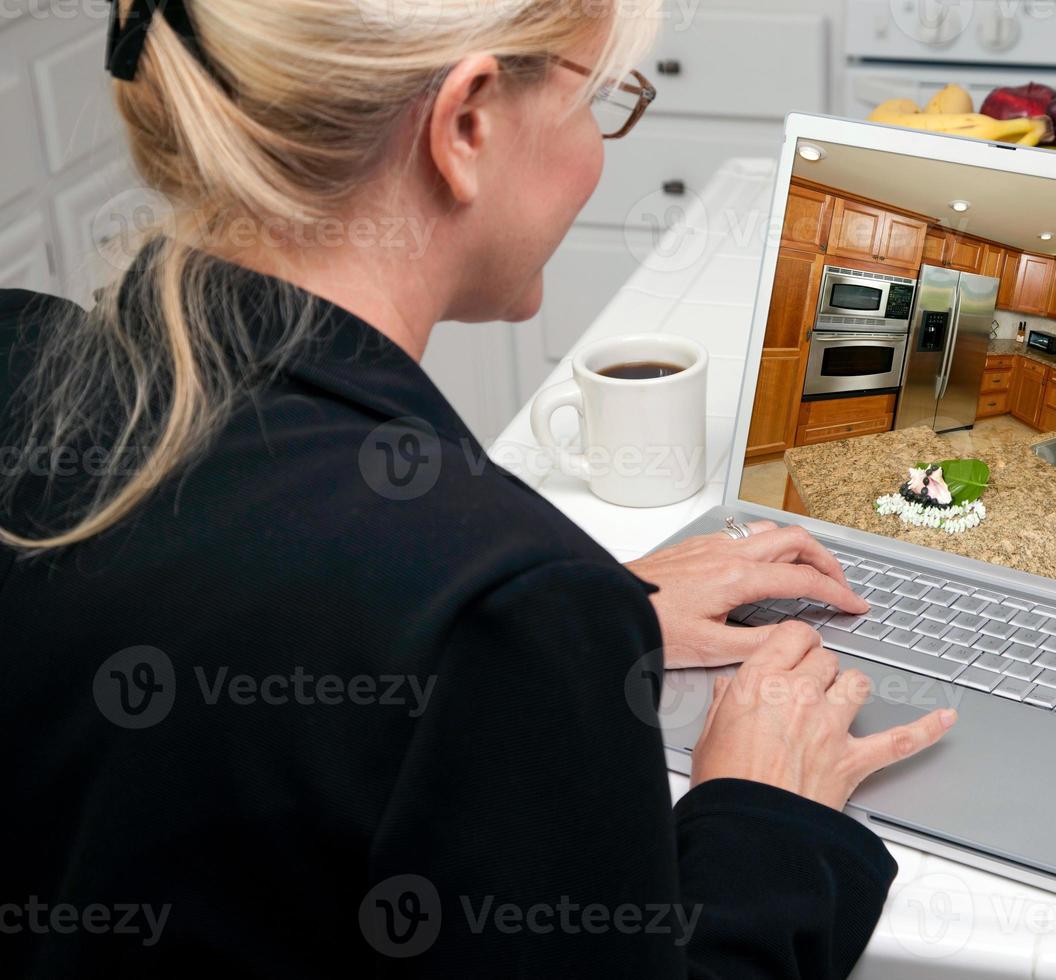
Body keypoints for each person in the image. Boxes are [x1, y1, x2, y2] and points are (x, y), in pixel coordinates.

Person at [0, 1, 954, 976]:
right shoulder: (498, 607)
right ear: (466, 125)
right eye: (598, 102)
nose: (596, 150)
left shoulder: (16, 348)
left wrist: (560, 631)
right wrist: (767, 814)